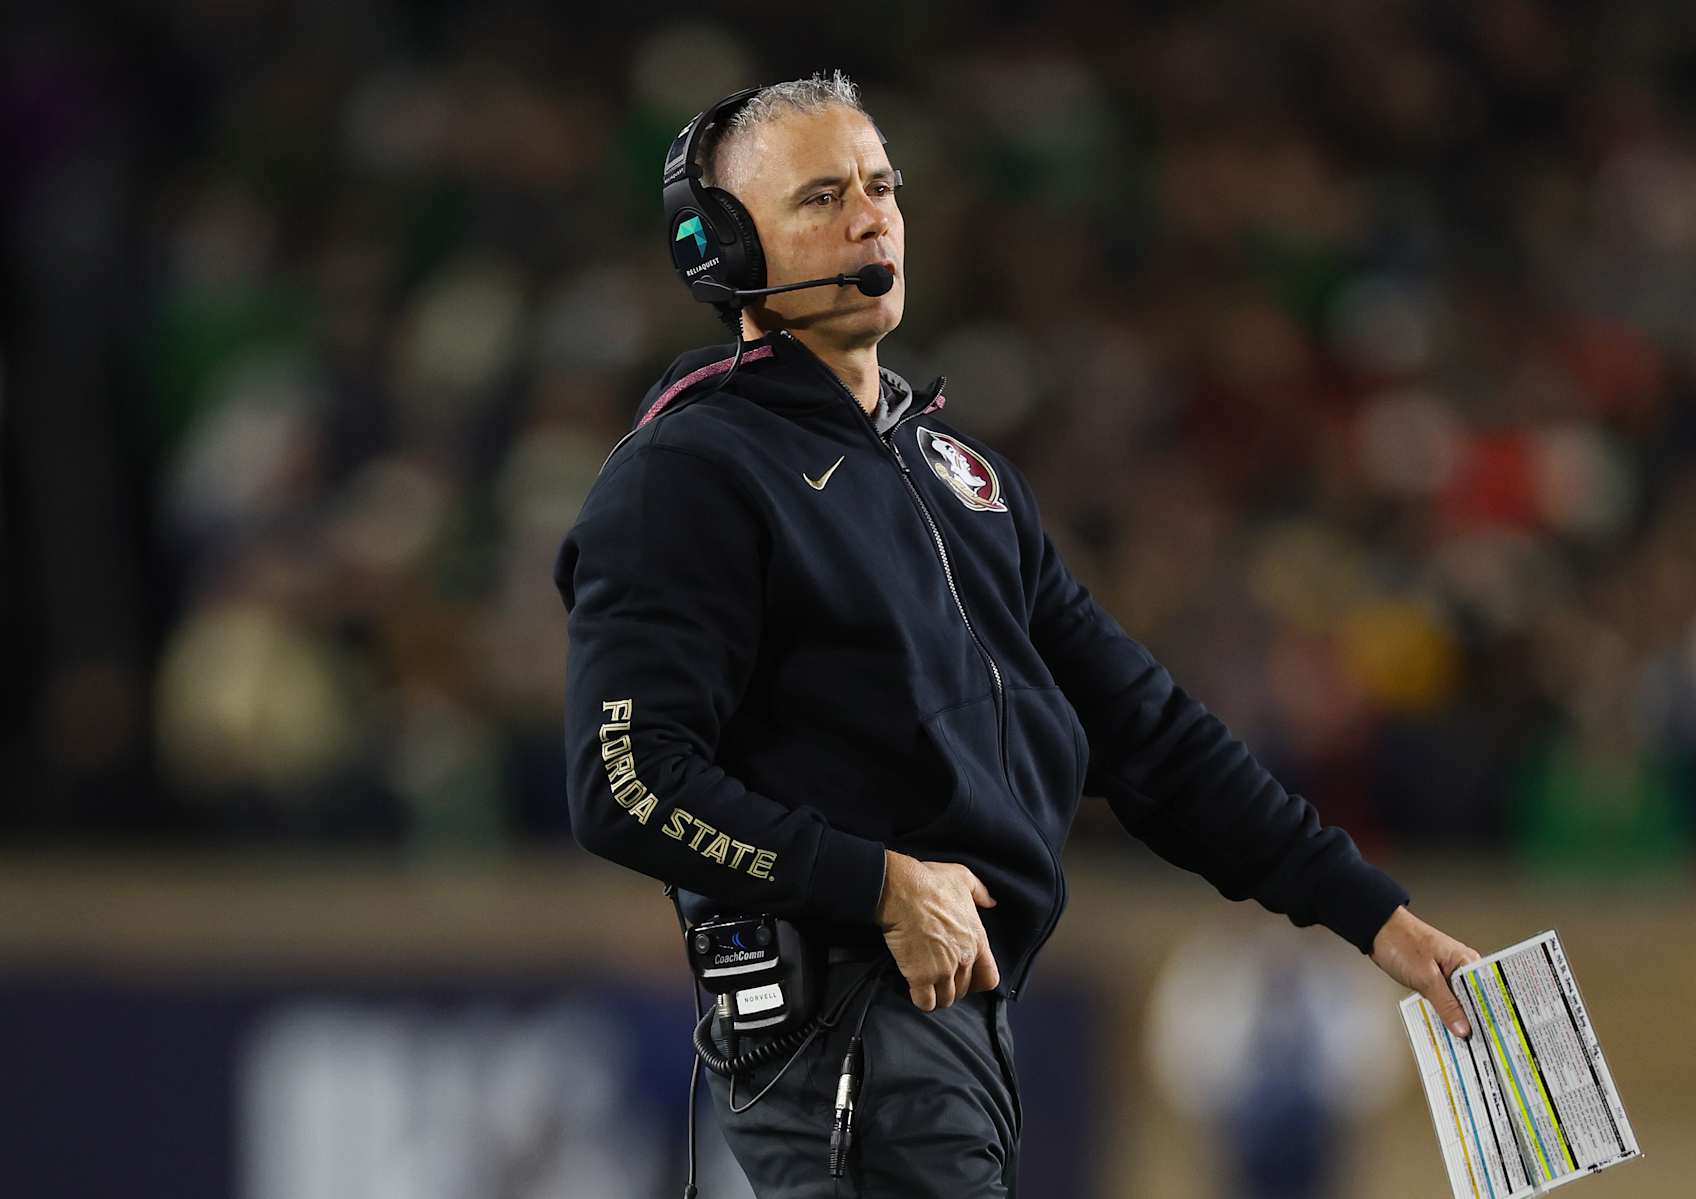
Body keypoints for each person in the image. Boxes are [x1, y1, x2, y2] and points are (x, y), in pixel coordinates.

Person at [555, 71, 1479, 1199]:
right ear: (721, 247)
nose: (872, 215)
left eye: (884, 185)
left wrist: (1373, 915)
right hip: (845, 1025)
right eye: (822, 196)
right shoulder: (689, 474)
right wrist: (876, 882)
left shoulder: (963, 476)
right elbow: (628, 780)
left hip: (957, 1028)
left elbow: (1150, 734)